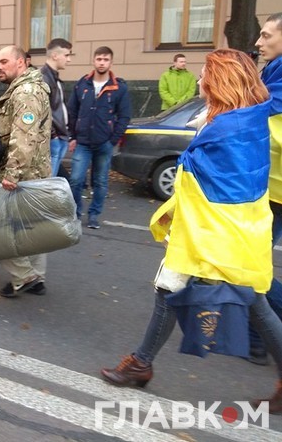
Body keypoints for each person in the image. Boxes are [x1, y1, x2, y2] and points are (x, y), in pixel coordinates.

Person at [100, 48, 282, 413]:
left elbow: (196, 180)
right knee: (249, 302)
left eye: (205, 75)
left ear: (219, 83)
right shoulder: (251, 117)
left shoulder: (223, 130)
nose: (200, 80)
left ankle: (141, 363)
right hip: (240, 231)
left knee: (180, 292)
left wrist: (201, 133)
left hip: (210, 234)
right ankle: (141, 362)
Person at [0, 45, 51, 297]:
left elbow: (23, 137)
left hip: (24, 175)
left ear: (21, 62)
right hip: (35, 171)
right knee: (31, 229)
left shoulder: (26, 92)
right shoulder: (28, 88)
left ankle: (24, 275)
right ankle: (36, 278)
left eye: (4, 61)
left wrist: (11, 175)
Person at [247, 13, 282, 364]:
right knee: (251, 264)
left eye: (266, 35)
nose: (259, 42)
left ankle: (260, 339)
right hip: (268, 186)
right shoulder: (273, 70)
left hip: (274, 191)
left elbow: (262, 117)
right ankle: (256, 339)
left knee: (251, 267)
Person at [67, 46, 131, 229]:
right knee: (76, 180)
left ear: (111, 62)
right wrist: (73, 136)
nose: (102, 63)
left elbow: (124, 116)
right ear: (93, 61)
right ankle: (76, 213)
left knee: (100, 181)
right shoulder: (82, 84)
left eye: (105, 59)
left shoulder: (119, 87)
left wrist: (113, 140)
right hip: (83, 142)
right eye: (99, 59)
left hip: (104, 143)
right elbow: (72, 111)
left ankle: (94, 215)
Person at [40, 39, 73, 177]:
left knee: (51, 180)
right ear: (54, 55)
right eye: (66, 55)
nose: (69, 59)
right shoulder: (43, 78)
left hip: (60, 135)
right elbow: (42, 110)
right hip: (54, 137)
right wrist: (53, 135)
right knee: (48, 182)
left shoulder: (54, 77)